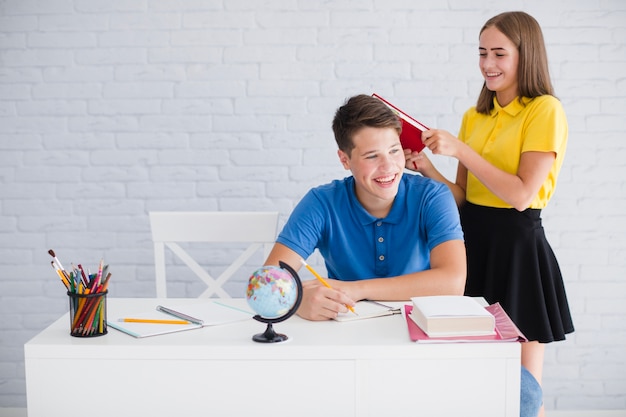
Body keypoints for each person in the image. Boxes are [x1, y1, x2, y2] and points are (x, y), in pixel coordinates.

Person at [405, 11, 574, 416]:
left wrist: (461, 150)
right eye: (482, 53)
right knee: (470, 376)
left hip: (517, 248)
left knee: (523, 391)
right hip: (470, 244)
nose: (488, 64)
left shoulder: (544, 110)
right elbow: (462, 198)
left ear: (525, 56)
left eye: (499, 53)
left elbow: (521, 194)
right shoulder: (474, 116)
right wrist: (428, 169)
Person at [263, 93, 466, 320]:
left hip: (420, 328)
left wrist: (355, 289)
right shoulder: (321, 203)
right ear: (344, 160)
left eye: (394, 151)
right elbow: (266, 282)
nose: (388, 166)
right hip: (346, 331)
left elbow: (453, 283)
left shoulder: (433, 196)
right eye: (372, 156)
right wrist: (297, 302)